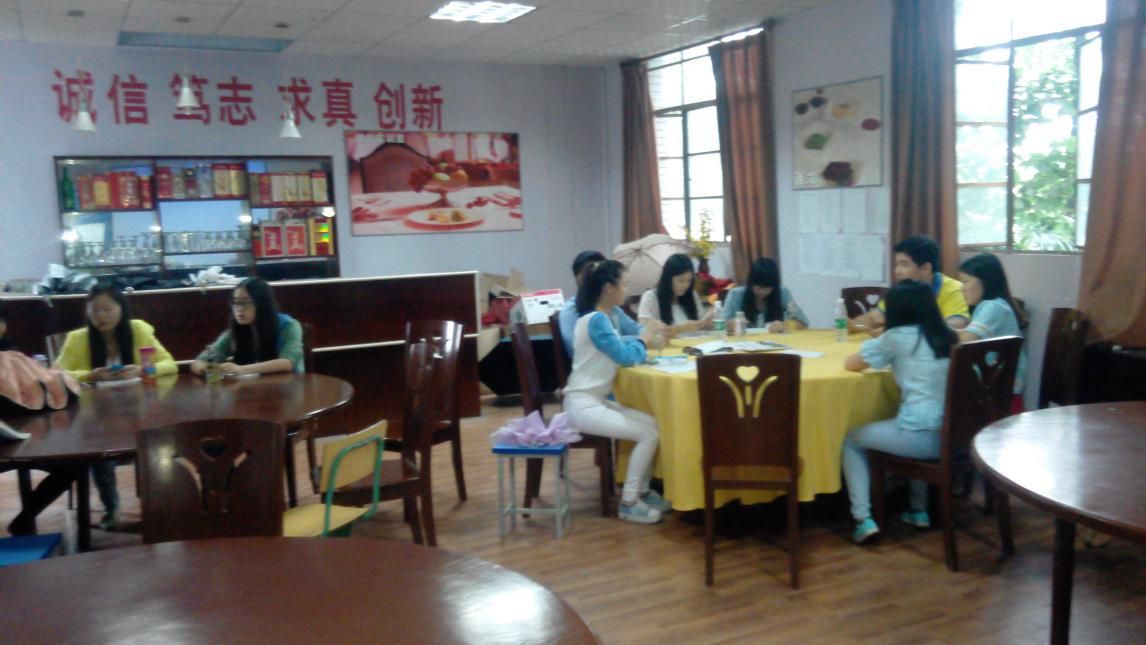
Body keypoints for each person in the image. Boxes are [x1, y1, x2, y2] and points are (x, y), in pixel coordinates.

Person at [841, 280, 958, 543]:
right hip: (955, 437)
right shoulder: (948, 336)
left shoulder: (897, 337)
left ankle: (862, 518)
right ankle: (918, 510)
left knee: (852, 440)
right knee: (906, 418)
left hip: (919, 439)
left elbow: (852, 364)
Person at [54, 284, 178, 530]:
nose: (101, 316)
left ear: (121, 309)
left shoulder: (139, 330)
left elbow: (169, 364)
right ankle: (111, 508)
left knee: (157, 441)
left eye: (107, 309)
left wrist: (142, 369)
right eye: (95, 310)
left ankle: (159, 505)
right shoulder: (78, 338)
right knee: (100, 448)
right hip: (96, 413)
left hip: (139, 409)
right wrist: (91, 375)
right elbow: (57, 373)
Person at [563, 260, 668, 524]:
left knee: (652, 424)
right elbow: (625, 357)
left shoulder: (602, 317)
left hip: (592, 401)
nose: (626, 290)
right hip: (583, 406)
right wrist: (645, 336)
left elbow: (622, 346)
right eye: (624, 284)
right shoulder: (597, 320)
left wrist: (643, 339)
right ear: (609, 288)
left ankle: (641, 491)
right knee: (649, 433)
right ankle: (629, 502)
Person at [851, 235, 970, 336]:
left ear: (926, 268)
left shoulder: (955, 290)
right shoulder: (902, 292)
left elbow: (954, 326)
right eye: (897, 264)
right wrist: (853, 325)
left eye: (904, 265)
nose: (897, 271)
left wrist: (896, 332)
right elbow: (874, 318)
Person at [957, 253, 1028, 412]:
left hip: (998, 399)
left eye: (965, 281)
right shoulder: (995, 305)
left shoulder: (993, 307)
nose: (961, 288)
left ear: (985, 281)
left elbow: (965, 340)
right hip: (998, 392)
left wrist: (935, 330)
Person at [191, 277, 304, 376]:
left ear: (262, 304)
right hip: (250, 389)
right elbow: (199, 362)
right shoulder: (235, 331)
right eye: (235, 302)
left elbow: (287, 362)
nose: (239, 309)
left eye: (246, 303)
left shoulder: (289, 326)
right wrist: (208, 370)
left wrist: (242, 369)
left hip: (287, 388)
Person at [557, 250, 643, 358]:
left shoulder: (611, 307)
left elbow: (633, 329)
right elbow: (576, 349)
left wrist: (650, 334)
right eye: (624, 285)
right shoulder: (587, 315)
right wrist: (642, 340)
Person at [722, 258, 809, 332]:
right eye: (759, 288)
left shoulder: (782, 293)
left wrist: (784, 325)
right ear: (751, 283)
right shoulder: (735, 295)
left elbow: (804, 323)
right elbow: (720, 325)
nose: (762, 292)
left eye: (767, 288)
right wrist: (731, 325)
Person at [637, 253, 713, 337]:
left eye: (689, 281)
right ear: (668, 278)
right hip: (667, 345)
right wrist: (682, 328)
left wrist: (709, 319)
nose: (685, 285)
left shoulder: (692, 295)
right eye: (680, 281)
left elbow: (702, 325)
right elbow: (644, 331)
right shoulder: (651, 297)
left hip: (695, 344)